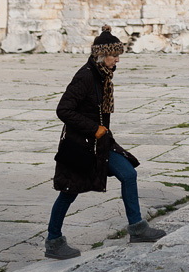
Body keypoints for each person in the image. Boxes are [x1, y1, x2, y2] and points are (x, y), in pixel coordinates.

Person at [45, 26, 165, 259]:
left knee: (128, 174)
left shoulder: (103, 75)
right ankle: (53, 242)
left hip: (101, 144)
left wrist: (101, 133)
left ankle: (138, 229)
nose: (117, 60)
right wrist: (94, 128)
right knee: (69, 191)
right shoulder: (85, 77)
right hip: (80, 146)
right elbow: (63, 109)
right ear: (101, 56)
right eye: (114, 55)